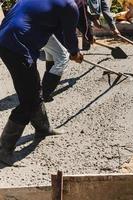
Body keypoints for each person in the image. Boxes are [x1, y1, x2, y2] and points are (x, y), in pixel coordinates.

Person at [0, 0, 83, 164]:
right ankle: (4, 149)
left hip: (6, 38)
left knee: (34, 88)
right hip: (18, 45)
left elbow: (59, 31)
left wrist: (71, 50)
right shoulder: (70, 6)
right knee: (29, 100)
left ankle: (43, 128)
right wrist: (74, 52)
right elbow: (69, 34)